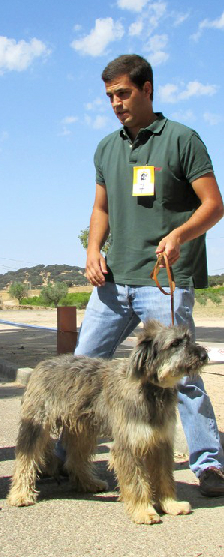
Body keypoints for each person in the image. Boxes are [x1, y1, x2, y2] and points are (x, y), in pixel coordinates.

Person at [73, 54, 224, 497]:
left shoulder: (181, 139)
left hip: (164, 280)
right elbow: (100, 209)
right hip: (114, 282)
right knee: (83, 368)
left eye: (123, 93)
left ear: (147, 89)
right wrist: (92, 249)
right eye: (109, 96)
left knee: (185, 373)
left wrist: (181, 233)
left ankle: (208, 464)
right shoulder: (106, 147)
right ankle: (68, 459)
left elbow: (213, 204)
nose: (116, 103)